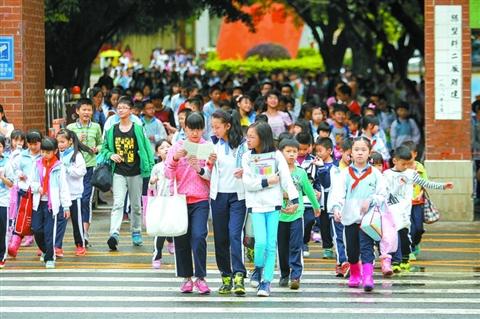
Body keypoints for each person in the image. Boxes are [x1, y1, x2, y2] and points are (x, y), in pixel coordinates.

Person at [242, 121, 299, 297]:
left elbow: (286, 179)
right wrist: (268, 181)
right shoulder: (246, 157)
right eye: (248, 136)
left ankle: (266, 282)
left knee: (270, 245)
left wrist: (294, 199)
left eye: (252, 137)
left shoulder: (276, 156)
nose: (248, 140)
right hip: (256, 205)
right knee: (260, 243)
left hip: (274, 204)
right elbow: (248, 183)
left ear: (262, 137)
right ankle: (258, 268)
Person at [328, 136, 387, 292]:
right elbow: (338, 193)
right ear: (350, 153)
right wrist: (336, 208)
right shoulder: (344, 174)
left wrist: (371, 199)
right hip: (350, 217)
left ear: (369, 153)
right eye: (356, 150)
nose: (360, 153)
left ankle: (368, 277)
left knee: (367, 248)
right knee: (352, 250)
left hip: (368, 219)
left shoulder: (375, 173)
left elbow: (383, 195)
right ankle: (355, 274)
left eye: (363, 150)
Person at [384, 146, 453, 273]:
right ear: (395, 161)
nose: (406, 167)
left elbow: (426, 183)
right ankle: (395, 261)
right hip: (391, 212)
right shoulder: (386, 175)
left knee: (404, 236)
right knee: (393, 237)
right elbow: (383, 191)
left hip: (405, 212)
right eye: (403, 164)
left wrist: (443, 186)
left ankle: (405, 258)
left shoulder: (411, 174)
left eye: (408, 164)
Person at [164, 112, 212, 294]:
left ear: (203, 129)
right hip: (180, 200)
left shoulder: (207, 147)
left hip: (200, 199)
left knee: (199, 237)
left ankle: (200, 277)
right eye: (192, 129)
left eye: (199, 129)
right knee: (181, 239)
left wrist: (202, 167)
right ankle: (186, 278)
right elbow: (168, 174)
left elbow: (211, 176)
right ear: (184, 128)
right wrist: (176, 159)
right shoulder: (176, 147)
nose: (195, 133)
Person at [99, 97, 155, 250]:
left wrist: (150, 169)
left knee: (136, 205)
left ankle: (136, 232)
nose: (121, 110)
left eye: (124, 107)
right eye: (119, 107)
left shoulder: (137, 128)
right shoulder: (112, 130)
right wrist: (111, 155)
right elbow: (104, 148)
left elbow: (147, 149)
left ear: (131, 111)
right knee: (118, 203)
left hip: (136, 172)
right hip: (119, 172)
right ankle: (114, 234)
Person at [209, 110, 248, 296]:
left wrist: (245, 171)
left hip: (238, 196)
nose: (214, 130)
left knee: (234, 235)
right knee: (221, 238)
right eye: (213, 127)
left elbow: (252, 168)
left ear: (228, 126)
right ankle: (225, 275)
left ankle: (239, 274)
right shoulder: (212, 144)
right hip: (218, 196)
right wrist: (207, 165)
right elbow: (207, 174)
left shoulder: (243, 146)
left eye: (217, 127)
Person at [278, 138, 320, 289]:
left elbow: (308, 190)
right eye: (288, 151)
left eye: (294, 152)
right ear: (280, 153)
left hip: (297, 214)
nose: (291, 155)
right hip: (279, 215)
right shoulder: (276, 172)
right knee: (282, 247)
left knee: (296, 245)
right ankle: (284, 274)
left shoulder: (301, 173)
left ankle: (295, 275)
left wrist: (316, 206)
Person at [67, 98, 103, 247]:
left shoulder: (96, 126)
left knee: (86, 199)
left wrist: (97, 149)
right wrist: (76, 141)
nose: (87, 112)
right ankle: (78, 232)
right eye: (84, 109)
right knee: (76, 200)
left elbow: (101, 143)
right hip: (75, 169)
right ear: (77, 111)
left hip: (90, 167)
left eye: (89, 110)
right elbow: (65, 144)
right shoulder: (70, 127)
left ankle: (85, 233)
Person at [31, 137, 72, 269]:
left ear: (55, 151)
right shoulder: (37, 164)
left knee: (49, 232)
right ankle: (45, 250)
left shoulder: (59, 167)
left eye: (48, 152)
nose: (45, 155)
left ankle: (49, 256)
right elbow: (31, 182)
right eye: (43, 152)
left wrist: (66, 206)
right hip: (38, 202)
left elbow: (63, 187)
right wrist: (38, 188)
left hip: (52, 204)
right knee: (37, 229)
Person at [55, 129, 91, 257]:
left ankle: (80, 244)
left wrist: (68, 169)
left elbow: (82, 171)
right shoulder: (56, 154)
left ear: (70, 141)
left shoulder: (77, 155)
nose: (60, 145)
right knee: (60, 221)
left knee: (77, 220)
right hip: (60, 194)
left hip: (74, 194)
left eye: (63, 142)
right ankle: (57, 246)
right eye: (58, 142)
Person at [8, 129, 43, 257]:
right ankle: (14, 245)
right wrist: (19, 174)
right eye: (30, 144)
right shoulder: (22, 155)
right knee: (20, 218)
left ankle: (42, 246)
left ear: (40, 142)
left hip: (39, 193)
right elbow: (13, 168)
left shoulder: (44, 155)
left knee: (38, 221)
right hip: (24, 192)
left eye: (36, 144)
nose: (33, 147)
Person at [148, 139, 175, 270]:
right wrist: (153, 181)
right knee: (160, 228)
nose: (166, 149)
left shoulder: (177, 164)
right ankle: (157, 255)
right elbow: (150, 186)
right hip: (160, 200)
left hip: (174, 199)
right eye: (162, 148)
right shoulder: (157, 167)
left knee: (170, 224)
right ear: (158, 153)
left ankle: (170, 240)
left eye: (168, 146)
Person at [294, 132, 319, 258]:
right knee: (297, 221)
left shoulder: (313, 160)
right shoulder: (290, 159)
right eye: (299, 149)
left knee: (309, 220)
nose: (302, 152)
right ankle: (300, 245)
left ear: (310, 147)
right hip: (294, 195)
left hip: (308, 195)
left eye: (305, 149)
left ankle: (304, 241)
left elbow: (313, 178)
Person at [313, 138, 336, 260]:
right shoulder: (315, 165)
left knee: (336, 224)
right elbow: (315, 181)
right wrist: (315, 190)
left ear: (330, 150)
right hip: (322, 199)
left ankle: (339, 246)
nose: (318, 153)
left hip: (334, 198)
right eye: (317, 151)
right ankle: (327, 248)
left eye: (320, 151)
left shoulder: (336, 165)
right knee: (324, 224)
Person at [0, 136, 14, 268]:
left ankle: (2, 256)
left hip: (2, 201)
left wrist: (2, 177)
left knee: (2, 229)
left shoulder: (7, 163)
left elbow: (11, 184)